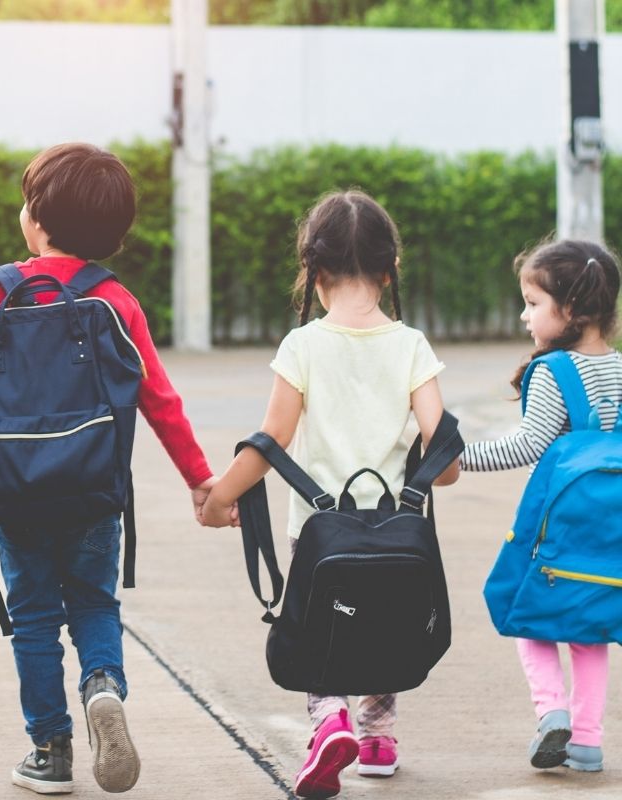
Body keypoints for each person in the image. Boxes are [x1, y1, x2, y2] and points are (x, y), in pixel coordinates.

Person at [0, 142, 216, 795]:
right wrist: (199, 479)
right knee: (95, 603)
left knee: (36, 617)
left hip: (13, 490)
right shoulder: (115, 301)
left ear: (36, 220)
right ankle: (103, 688)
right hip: (94, 488)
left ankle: (50, 751)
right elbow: (159, 399)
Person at [199, 189, 459, 798]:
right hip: (397, 526)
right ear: (390, 268)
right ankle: (377, 738)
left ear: (314, 272)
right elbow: (443, 455)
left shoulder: (304, 345)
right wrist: (428, 475)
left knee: (323, 622)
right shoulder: (412, 345)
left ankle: (329, 721)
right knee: (386, 616)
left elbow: (272, 442)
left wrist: (218, 498)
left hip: (318, 530)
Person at [461, 239, 621, 773]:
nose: (524, 315)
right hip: (609, 535)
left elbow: (524, 446)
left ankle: (552, 711)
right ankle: (589, 742)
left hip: (553, 528)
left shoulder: (554, 372)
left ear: (570, 310)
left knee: (524, 612)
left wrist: (456, 459)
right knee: (591, 627)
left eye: (533, 302)